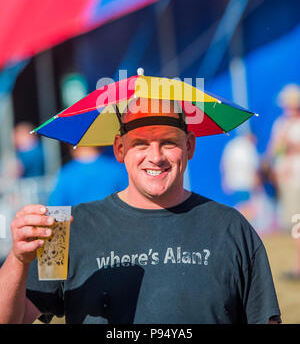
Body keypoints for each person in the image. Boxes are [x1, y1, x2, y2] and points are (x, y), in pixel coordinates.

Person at [0, 98, 281, 324]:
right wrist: (17, 259)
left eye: (168, 142)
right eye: (141, 143)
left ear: (189, 146)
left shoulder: (231, 227)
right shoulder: (65, 229)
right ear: (120, 149)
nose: (156, 157)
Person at [266, 83, 300, 278]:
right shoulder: (282, 124)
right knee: (295, 224)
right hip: (289, 181)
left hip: (296, 180)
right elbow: (274, 149)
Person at [48, 146, 127, 206]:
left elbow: (55, 207)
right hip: (113, 224)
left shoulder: (66, 174)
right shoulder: (117, 168)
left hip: (79, 225)